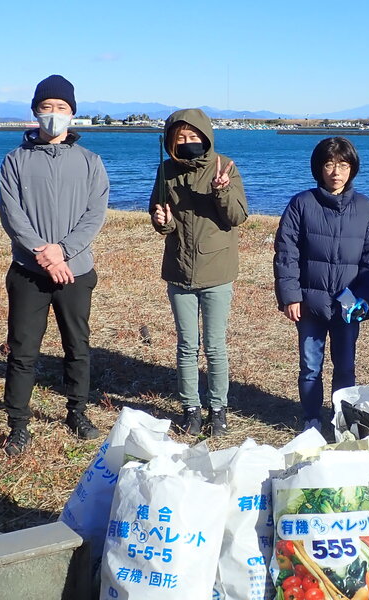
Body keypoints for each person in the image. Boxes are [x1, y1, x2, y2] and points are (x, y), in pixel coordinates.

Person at [0, 75, 109, 455]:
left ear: (72, 114)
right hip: (28, 271)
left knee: (77, 346)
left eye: (61, 107)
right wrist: (41, 253)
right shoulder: (15, 160)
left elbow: (95, 215)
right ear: (35, 112)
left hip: (76, 271)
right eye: (47, 107)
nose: (54, 114)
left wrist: (63, 251)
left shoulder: (90, 162)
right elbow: (12, 214)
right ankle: (18, 423)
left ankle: (77, 411)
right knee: (22, 350)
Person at [274, 137, 369, 432]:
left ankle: (341, 420)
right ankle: (311, 419)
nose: (336, 172)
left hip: (348, 305)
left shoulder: (365, 208)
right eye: (329, 164)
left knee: (345, 366)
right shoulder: (301, 204)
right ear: (318, 168)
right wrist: (291, 296)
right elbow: (286, 253)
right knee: (310, 366)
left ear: (352, 168)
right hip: (310, 303)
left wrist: (364, 298)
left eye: (343, 165)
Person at [150, 108, 248, 437]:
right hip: (179, 269)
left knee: (215, 345)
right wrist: (162, 222)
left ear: (205, 136)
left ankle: (218, 409)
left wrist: (222, 190)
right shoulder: (166, 171)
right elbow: (160, 215)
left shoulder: (225, 166)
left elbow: (237, 216)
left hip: (217, 271)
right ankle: (190, 408)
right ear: (170, 141)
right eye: (181, 137)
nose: (187, 142)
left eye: (193, 136)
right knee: (186, 345)